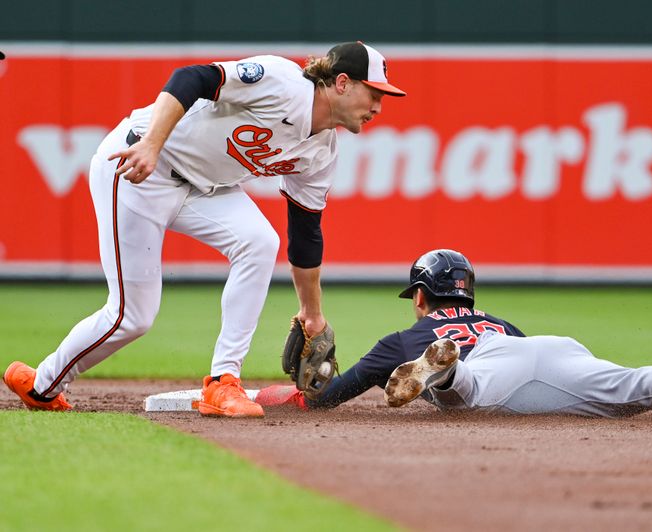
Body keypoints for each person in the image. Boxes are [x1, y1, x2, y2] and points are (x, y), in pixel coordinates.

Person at [3, 42, 406, 417]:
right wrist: (152, 144)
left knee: (259, 241)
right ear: (341, 83)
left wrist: (312, 314)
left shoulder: (322, 152)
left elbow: (305, 235)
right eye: (374, 94)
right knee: (132, 316)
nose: (378, 106)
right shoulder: (281, 81)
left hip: (204, 188)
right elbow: (192, 77)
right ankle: (42, 385)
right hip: (140, 165)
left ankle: (222, 381)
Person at [256, 249, 652, 422]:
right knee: (628, 387)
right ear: (467, 293)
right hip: (542, 346)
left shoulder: (403, 338)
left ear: (420, 297)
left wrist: (305, 385)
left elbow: (327, 398)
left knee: (472, 393)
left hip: (483, 364)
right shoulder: (499, 320)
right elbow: (528, 364)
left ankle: (446, 372)